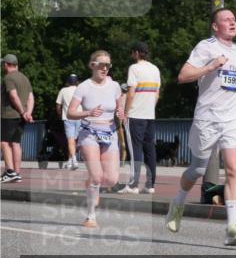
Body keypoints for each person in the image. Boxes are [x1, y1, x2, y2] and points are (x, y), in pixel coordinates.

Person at [166, 8, 236, 247]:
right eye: (227, 19)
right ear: (215, 26)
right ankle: (178, 203)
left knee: (234, 169)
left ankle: (231, 228)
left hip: (232, 117)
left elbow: (228, 83)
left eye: (234, 19)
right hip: (207, 117)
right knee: (197, 169)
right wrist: (211, 66)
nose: (233, 22)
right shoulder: (205, 47)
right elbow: (183, 76)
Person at [66, 50, 125, 228]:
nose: (105, 68)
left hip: (109, 132)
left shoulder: (114, 85)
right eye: (101, 65)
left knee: (112, 179)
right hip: (89, 132)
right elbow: (70, 112)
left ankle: (91, 183)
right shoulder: (84, 87)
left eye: (108, 65)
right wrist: (88, 112)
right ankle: (90, 216)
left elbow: (119, 104)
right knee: (97, 176)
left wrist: (120, 111)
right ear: (92, 65)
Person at [121, 41, 160, 193]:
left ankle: (133, 184)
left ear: (137, 53)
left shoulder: (134, 68)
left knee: (135, 149)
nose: (132, 55)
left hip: (135, 114)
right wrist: (150, 107)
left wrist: (125, 112)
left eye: (132, 52)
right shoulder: (155, 69)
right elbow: (157, 93)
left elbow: (131, 92)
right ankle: (150, 185)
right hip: (150, 115)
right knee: (150, 150)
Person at [1, 54, 33, 184]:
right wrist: (27, 113)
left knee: (3, 142)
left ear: (6, 65)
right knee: (16, 143)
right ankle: (17, 173)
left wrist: (21, 111)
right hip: (21, 117)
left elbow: (13, 96)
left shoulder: (8, 78)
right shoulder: (24, 78)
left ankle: (9, 171)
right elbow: (31, 97)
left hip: (9, 115)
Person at [56, 74, 80, 170]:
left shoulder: (63, 90)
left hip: (68, 117)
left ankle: (73, 160)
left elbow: (58, 105)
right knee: (75, 140)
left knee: (70, 140)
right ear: (77, 81)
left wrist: (60, 115)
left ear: (68, 81)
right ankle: (70, 161)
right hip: (79, 117)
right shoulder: (80, 90)